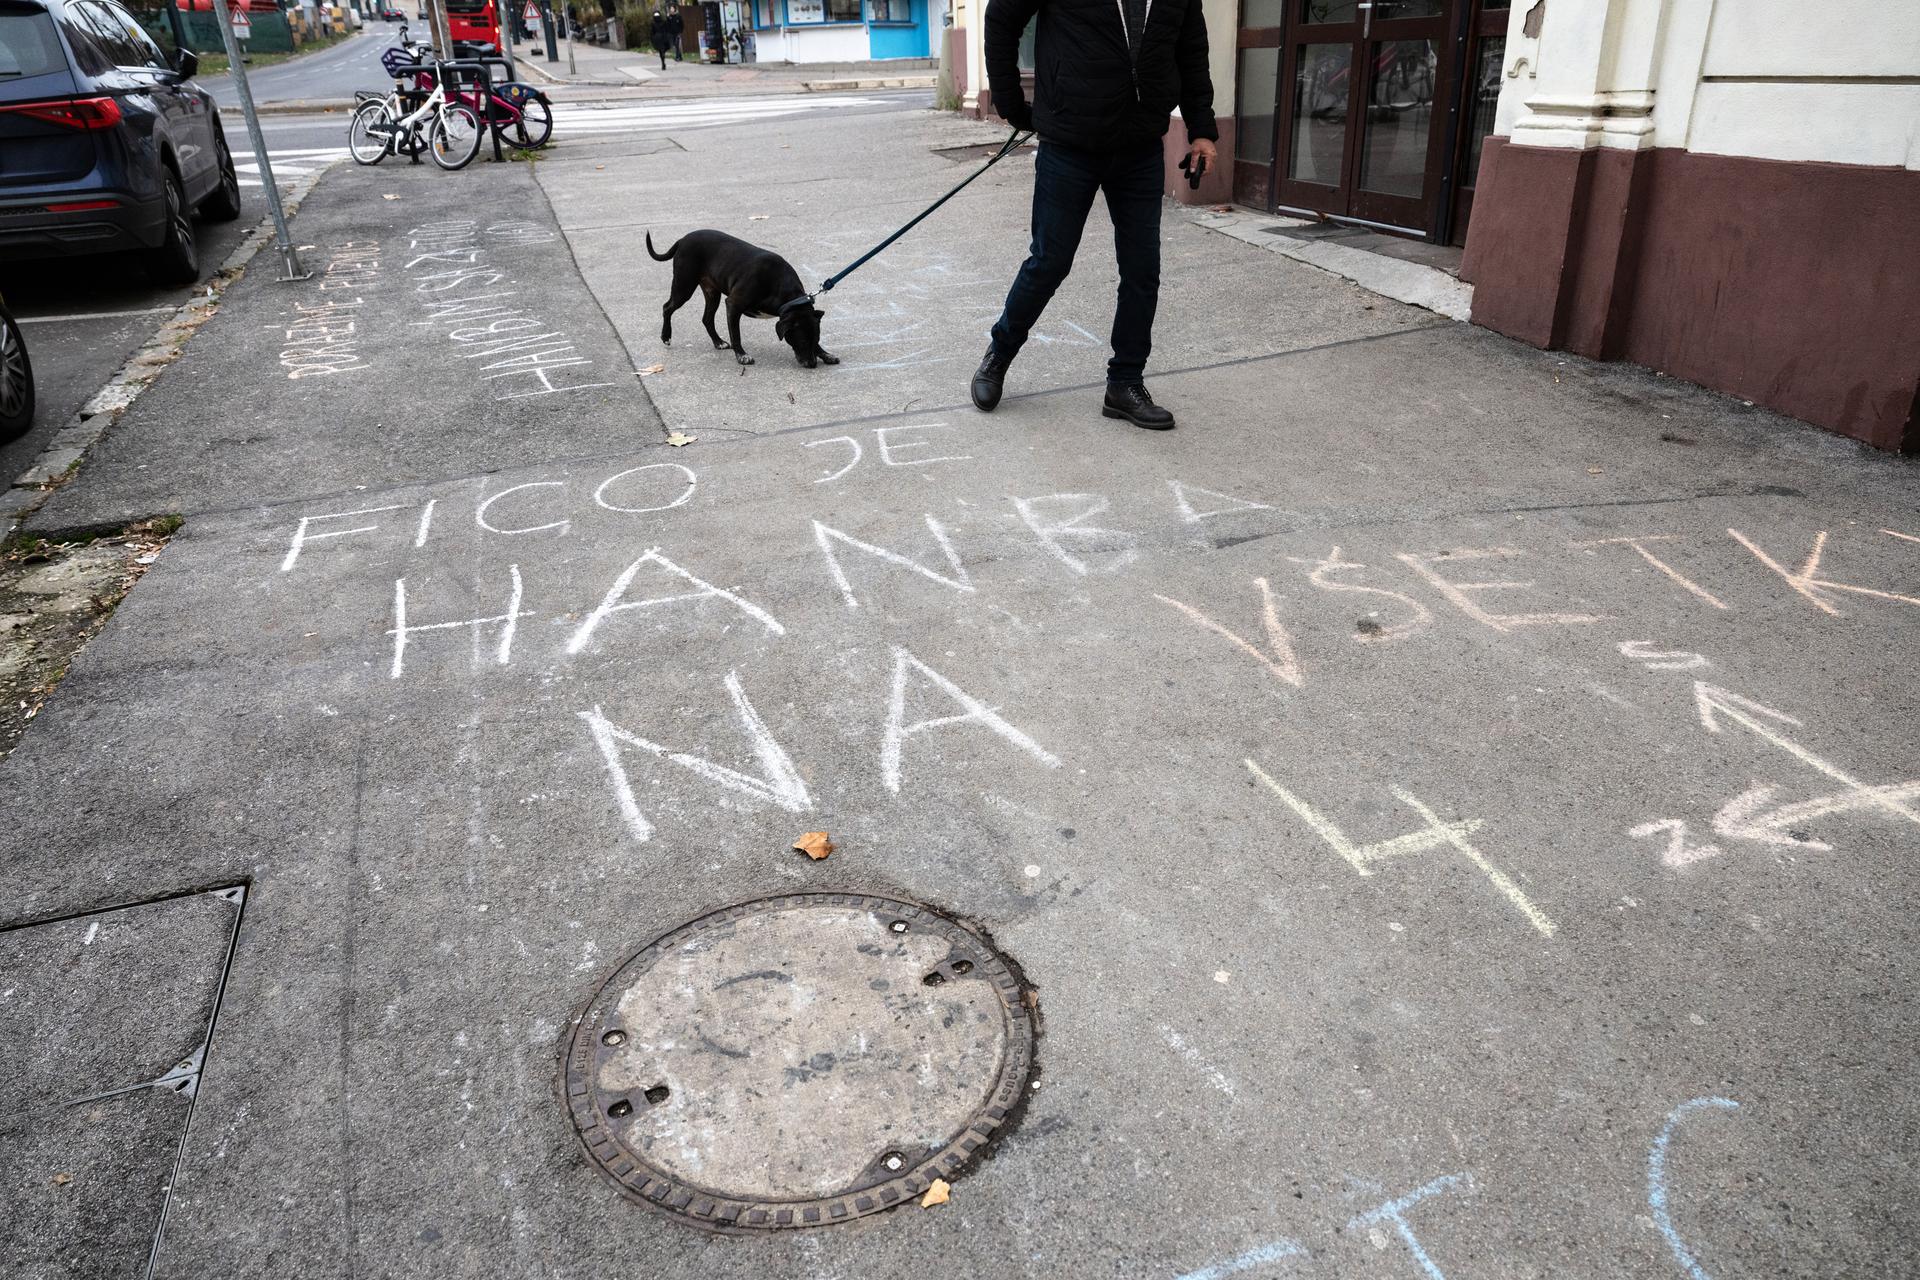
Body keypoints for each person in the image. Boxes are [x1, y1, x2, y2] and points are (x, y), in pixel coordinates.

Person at [974, 0, 1217, 429]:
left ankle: (1124, 383)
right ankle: (999, 354)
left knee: (1142, 270)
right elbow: (1002, 17)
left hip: (1140, 147)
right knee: (1049, 261)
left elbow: (1192, 52)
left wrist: (1201, 130)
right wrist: (1011, 103)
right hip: (1069, 144)